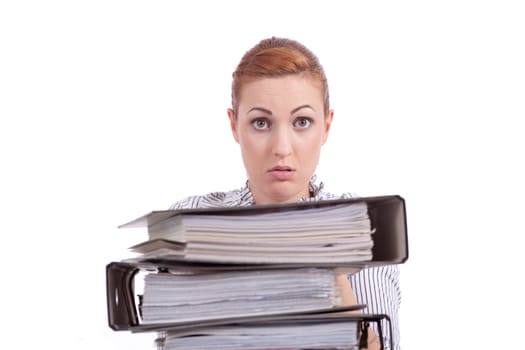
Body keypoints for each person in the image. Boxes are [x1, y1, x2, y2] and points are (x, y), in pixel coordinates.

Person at [170, 36, 401, 350]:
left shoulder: (366, 231)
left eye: (302, 121)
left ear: (326, 126)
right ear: (235, 125)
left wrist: (331, 269)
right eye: (261, 122)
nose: (281, 148)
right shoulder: (193, 223)